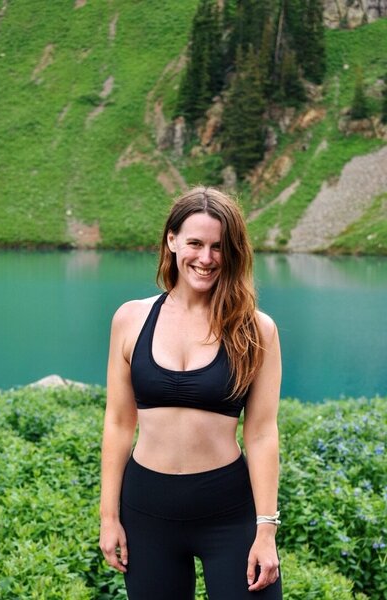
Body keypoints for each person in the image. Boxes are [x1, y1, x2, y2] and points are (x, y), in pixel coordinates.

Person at [99, 186, 283, 599]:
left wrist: (266, 529)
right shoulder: (130, 319)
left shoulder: (257, 330)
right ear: (172, 240)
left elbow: (261, 433)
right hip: (146, 511)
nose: (205, 258)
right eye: (195, 243)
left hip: (229, 512)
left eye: (219, 247)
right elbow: (118, 422)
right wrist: (108, 517)